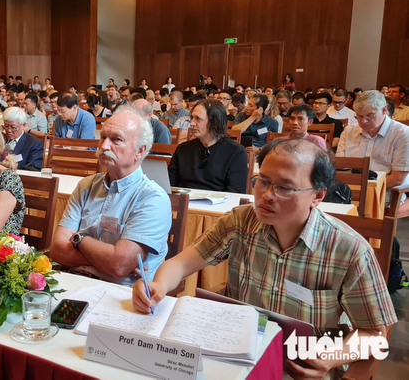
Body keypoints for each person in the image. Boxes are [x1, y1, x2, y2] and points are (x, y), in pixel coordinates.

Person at [134, 139, 397, 379]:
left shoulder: (349, 250)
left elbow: (376, 335)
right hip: (240, 354)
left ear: (317, 196)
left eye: (284, 187)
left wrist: (329, 359)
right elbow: (181, 263)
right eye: (263, 181)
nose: (268, 194)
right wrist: (158, 287)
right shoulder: (240, 222)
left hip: (303, 367)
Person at [50, 110, 170, 285]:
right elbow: (58, 250)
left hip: (119, 293)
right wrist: (106, 260)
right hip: (72, 280)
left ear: (140, 151)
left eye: (116, 139)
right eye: (103, 137)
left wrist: (79, 239)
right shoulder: (86, 186)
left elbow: (118, 266)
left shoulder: (152, 198)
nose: (104, 146)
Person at [169, 100, 248, 192]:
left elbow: (236, 192)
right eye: (192, 118)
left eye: (198, 118)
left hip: (219, 203)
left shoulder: (236, 152)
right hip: (186, 201)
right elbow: (169, 184)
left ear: (214, 123)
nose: (192, 123)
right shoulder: (183, 149)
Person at [338, 90, 409, 190]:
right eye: (359, 116)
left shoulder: (402, 133)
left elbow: (398, 179)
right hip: (350, 191)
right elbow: (340, 168)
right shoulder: (349, 131)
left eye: (370, 115)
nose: (363, 121)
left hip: (385, 194)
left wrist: (364, 191)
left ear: (384, 110)